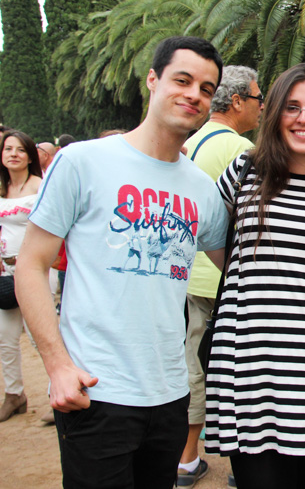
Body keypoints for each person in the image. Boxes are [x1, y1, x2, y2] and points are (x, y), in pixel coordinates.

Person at [15, 36, 229, 489]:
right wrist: (57, 366)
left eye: (206, 89)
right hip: (96, 392)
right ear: (152, 80)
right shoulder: (82, 162)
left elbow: (240, 266)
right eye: (183, 80)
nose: (194, 94)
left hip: (170, 396)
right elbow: (31, 265)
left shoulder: (201, 189)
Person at [203, 63, 305, 489]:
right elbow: (219, 247)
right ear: (274, 111)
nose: (304, 118)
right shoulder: (244, 172)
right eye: (292, 106)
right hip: (252, 364)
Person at [177, 65, 261, 487]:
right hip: (222, 278)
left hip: (190, 274)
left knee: (195, 360)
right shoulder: (239, 150)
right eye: (259, 99)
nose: (263, 108)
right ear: (238, 102)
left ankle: (189, 455)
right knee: (229, 369)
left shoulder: (190, 141)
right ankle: (193, 457)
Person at [0, 130, 43, 422]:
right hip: (5, 272)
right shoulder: (1, 189)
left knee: (39, 335)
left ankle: (58, 392)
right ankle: (14, 394)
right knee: (5, 338)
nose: (13, 154)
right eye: (7, 148)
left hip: (36, 269)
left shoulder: (40, 186)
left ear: (29, 156)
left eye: (20, 149)